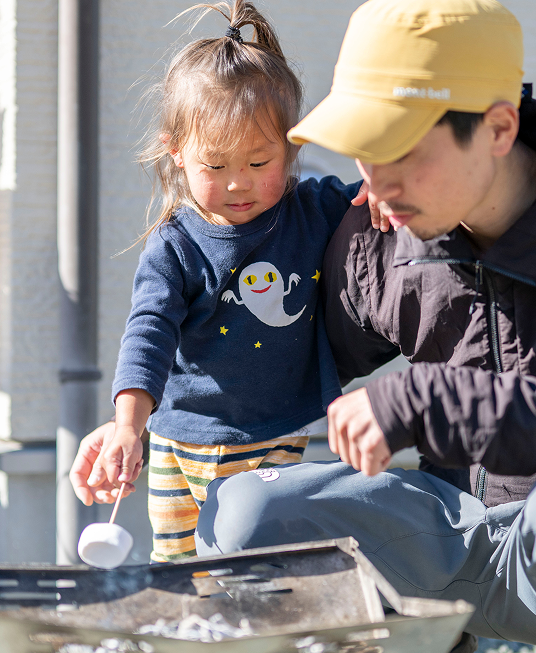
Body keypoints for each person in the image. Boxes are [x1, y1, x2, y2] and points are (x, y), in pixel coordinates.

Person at [73, 0, 536, 650]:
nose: (374, 184)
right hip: (447, 528)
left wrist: (418, 399)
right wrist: (135, 422)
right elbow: (267, 351)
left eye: (400, 152)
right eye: (363, 152)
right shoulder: (376, 224)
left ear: (497, 128)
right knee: (242, 511)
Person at [78, 0, 383, 563]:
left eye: (260, 163)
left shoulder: (312, 210)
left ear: (292, 150)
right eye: (214, 167)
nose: (239, 184)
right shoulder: (175, 243)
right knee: (180, 570)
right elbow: (148, 332)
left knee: (250, 564)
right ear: (177, 154)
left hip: (270, 434)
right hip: (173, 438)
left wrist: (385, 185)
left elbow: (369, 198)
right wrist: (128, 426)